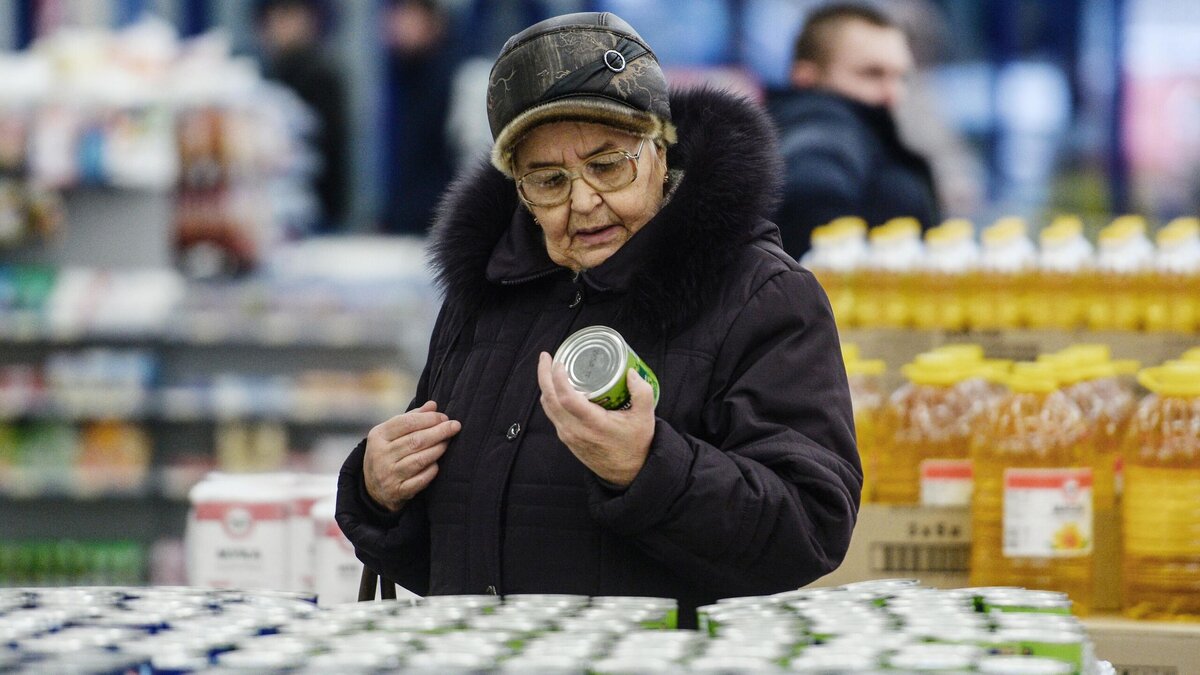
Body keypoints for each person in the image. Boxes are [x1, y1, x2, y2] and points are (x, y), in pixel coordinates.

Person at [336, 12, 861, 626]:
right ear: (519, 190)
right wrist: (379, 493)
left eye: (608, 165)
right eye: (549, 181)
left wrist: (650, 467)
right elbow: (447, 554)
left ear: (661, 151)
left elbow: (811, 527)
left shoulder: (760, 296)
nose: (583, 202)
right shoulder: (486, 291)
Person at [766, 2, 939, 259]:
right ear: (805, 77)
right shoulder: (823, 118)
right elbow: (810, 190)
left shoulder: (866, 134)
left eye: (901, 77)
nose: (893, 93)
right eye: (871, 74)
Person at [255, 0, 349, 232]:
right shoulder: (266, 74)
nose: (280, 27)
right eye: (273, 18)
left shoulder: (322, 77)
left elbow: (332, 152)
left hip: (315, 212)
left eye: (288, 16)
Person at [381, 0, 457, 235]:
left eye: (410, 16)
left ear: (434, 23)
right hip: (402, 223)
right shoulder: (398, 79)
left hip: (438, 224)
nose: (401, 25)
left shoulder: (451, 80)